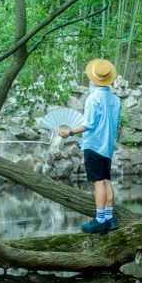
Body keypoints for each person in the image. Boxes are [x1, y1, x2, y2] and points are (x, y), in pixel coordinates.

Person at [58, 57, 122, 233]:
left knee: (97, 183)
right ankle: (110, 219)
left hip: (94, 145)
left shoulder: (93, 98)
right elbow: (117, 123)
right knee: (106, 180)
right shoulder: (116, 100)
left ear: (94, 78)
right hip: (108, 146)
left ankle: (100, 220)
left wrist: (69, 132)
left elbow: (89, 124)